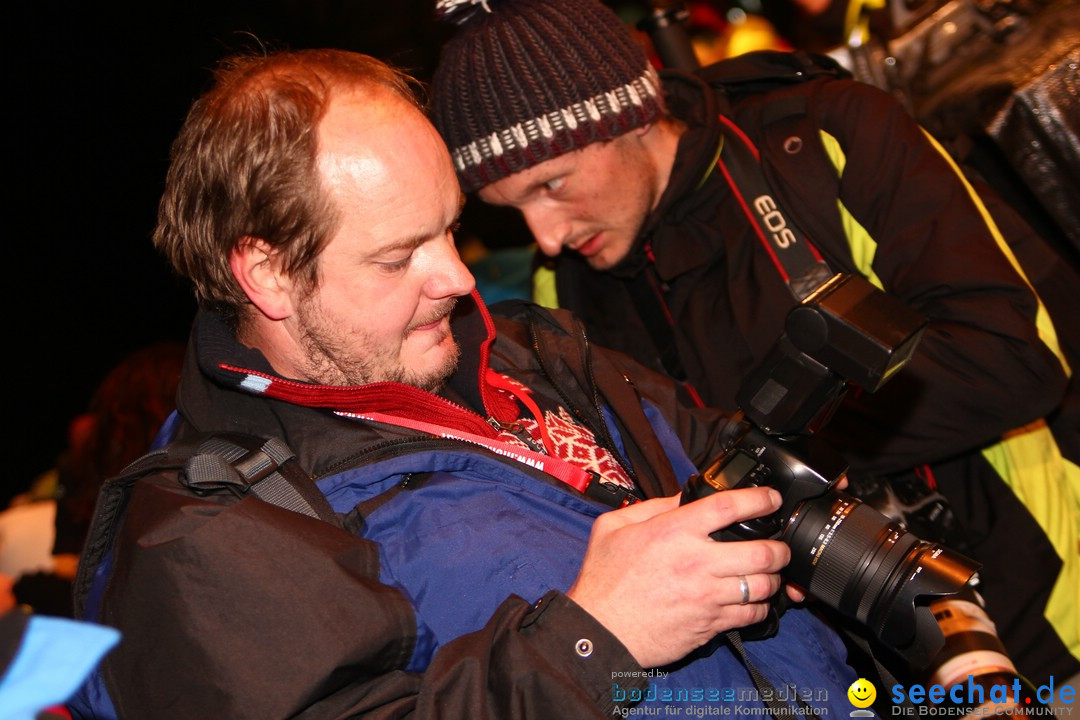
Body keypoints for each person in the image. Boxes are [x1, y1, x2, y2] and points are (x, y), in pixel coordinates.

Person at [75, 48, 875, 719]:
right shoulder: (208, 537)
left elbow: (730, 463)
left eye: (450, 228)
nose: (457, 277)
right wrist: (594, 637)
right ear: (270, 275)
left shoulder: (534, 352)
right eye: (398, 257)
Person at [428, 0, 1080, 686]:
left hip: (1047, 617)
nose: (548, 237)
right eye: (515, 211)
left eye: (551, 185)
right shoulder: (564, 289)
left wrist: (780, 457)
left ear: (627, 115)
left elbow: (1014, 354)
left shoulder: (824, 137)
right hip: (856, 676)